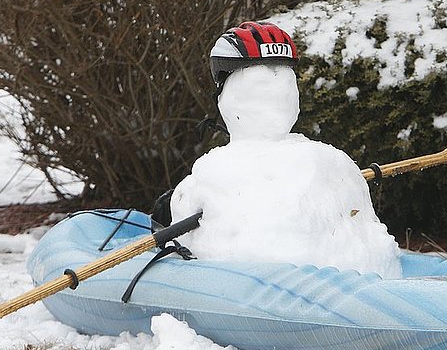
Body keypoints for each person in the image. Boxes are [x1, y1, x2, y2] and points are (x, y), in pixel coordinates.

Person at [168, 21, 401, 277]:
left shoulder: (328, 162)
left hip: (344, 280)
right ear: (230, 97)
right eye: (262, 86)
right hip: (263, 283)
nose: (279, 94)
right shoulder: (215, 173)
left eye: (286, 83)